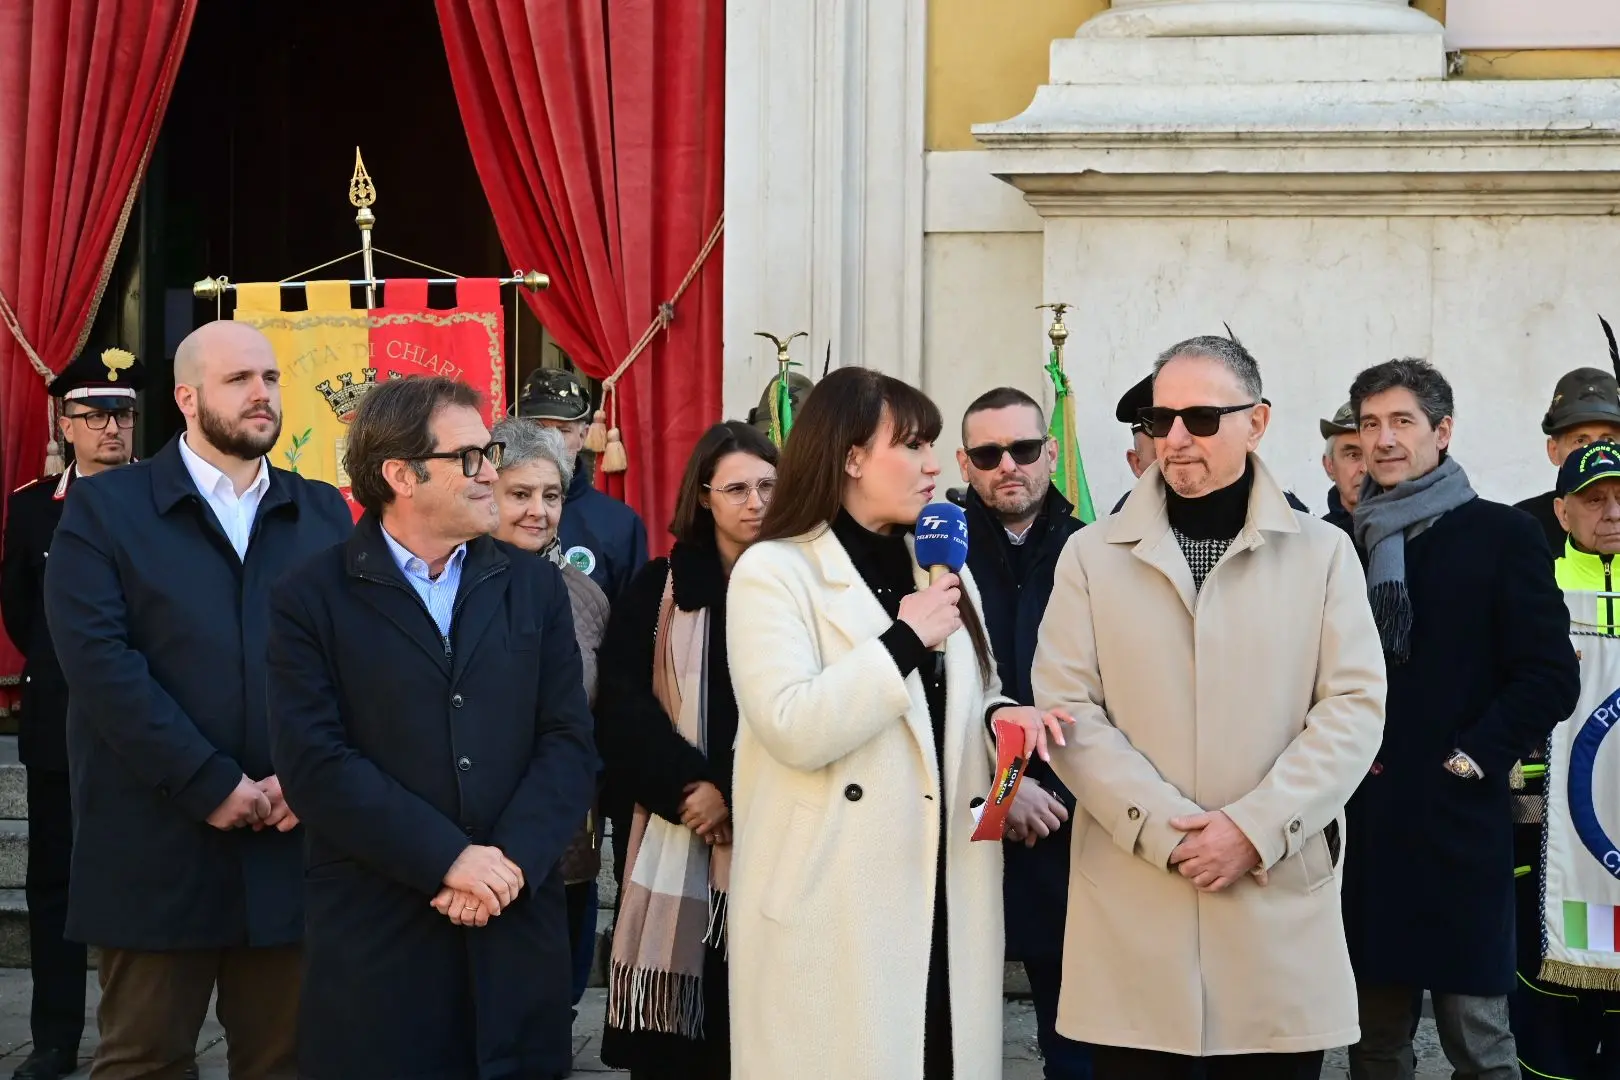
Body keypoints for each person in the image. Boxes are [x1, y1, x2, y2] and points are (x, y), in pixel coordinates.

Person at [1031, 334, 1387, 1080]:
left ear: (1257, 422)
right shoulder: (1090, 556)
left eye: (1200, 417)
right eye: (1162, 421)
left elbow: (1352, 710)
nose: (1177, 438)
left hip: (1272, 895)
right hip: (1135, 903)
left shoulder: (1323, 554)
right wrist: (1170, 833)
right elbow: (1068, 709)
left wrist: (1253, 830)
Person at [724, 367, 1067, 1080]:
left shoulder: (938, 565)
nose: (934, 464)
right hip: (837, 902)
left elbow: (975, 690)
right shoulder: (774, 572)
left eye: (933, 445)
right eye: (911, 445)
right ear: (851, 457)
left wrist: (1009, 717)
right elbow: (791, 725)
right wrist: (903, 642)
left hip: (946, 889)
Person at [41, 321, 352, 1080]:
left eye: (271, 379)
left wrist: (301, 779)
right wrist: (208, 782)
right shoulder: (106, 511)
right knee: (145, 1059)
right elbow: (102, 667)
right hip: (154, 842)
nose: (261, 394)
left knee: (288, 1061)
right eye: (239, 379)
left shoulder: (321, 512)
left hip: (290, 841)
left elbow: (353, 663)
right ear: (186, 397)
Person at [266, 375, 596, 1079]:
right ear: (400, 474)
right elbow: (316, 762)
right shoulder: (310, 598)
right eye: (471, 457)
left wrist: (504, 865)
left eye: (491, 454)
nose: (491, 473)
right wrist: (449, 860)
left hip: (515, 925)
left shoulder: (533, 586)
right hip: (382, 935)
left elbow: (567, 740)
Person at [1341, 358, 1581, 1080]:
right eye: (1370, 424)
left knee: (1479, 1044)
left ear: (1442, 432)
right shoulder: (1338, 541)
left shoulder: (1501, 534)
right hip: (1366, 824)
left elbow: (1548, 674)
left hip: (1458, 822)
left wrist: (1474, 755)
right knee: (1373, 1041)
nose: (1384, 439)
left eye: (1402, 422)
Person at [595, 420, 778, 1080]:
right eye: (736, 489)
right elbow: (620, 706)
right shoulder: (659, 588)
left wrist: (732, 789)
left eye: (767, 486)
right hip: (681, 828)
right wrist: (689, 789)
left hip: (779, 828)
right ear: (703, 497)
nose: (755, 502)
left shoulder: (806, 586)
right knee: (686, 1049)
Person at [1, 347, 144, 1080]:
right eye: (97, 415)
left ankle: (143, 1033)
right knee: (54, 879)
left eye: (123, 414)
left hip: (150, 728)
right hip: (59, 722)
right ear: (67, 422)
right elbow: (23, 613)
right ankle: (55, 1036)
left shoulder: (162, 499)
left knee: (143, 875)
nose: (114, 428)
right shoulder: (32, 508)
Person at [955, 387, 1092, 1080]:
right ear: (965, 462)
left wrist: (1032, 792)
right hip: (965, 814)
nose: (1007, 464)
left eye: (1024, 448)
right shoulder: (935, 555)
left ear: (1052, 453)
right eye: (988, 452)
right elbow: (947, 694)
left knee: (1074, 1034)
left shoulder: (1092, 551)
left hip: (1069, 817)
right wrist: (1006, 793)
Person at [489, 417, 611, 1016]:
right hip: (476, 834)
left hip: (564, 829)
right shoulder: (452, 583)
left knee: (551, 1000)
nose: (538, 510)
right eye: (520, 494)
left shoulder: (586, 595)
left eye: (552, 495)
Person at [1509, 439, 1620, 1080]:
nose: (1611, 512)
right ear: (1561, 511)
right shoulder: (1533, 589)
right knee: (1552, 1045)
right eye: (1594, 499)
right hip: (1550, 847)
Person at [517, 367, 648, 598]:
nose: (549, 443)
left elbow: (634, 626)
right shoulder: (490, 512)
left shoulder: (620, 525)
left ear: (582, 436)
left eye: (562, 430)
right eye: (538, 429)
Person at [1514, 345, 1620, 558]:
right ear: (1553, 451)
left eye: (1608, 440)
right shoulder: (1521, 526)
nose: (1596, 452)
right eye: (1580, 440)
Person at [1321, 402, 1365, 534]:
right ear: (1329, 465)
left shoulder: (1419, 533)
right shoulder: (1318, 538)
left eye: (1374, 455)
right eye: (1353, 455)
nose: (1365, 468)